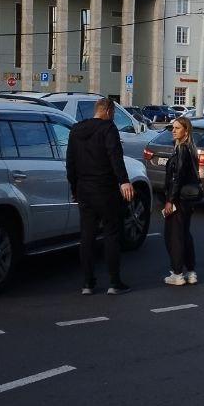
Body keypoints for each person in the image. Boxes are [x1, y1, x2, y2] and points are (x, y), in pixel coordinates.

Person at [66, 98, 135, 295]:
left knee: (87, 236)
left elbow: (70, 162)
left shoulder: (76, 130)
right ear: (108, 111)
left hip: (84, 189)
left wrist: (74, 188)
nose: (113, 117)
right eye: (113, 114)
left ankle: (88, 283)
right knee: (111, 234)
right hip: (105, 189)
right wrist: (123, 181)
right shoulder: (108, 129)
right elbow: (115, 156)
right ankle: (114, 282)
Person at [161, 117, 200, 286]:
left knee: (173, 235)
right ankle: (191, 272)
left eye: (177, 128)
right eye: (173, 128)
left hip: (179, 198)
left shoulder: (182, 149)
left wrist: (170, 200)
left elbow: (177, 177)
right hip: (188, 199)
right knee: (185, 234)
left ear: (186, 131)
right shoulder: (191, 149)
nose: (173, 131)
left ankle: (177, 274)